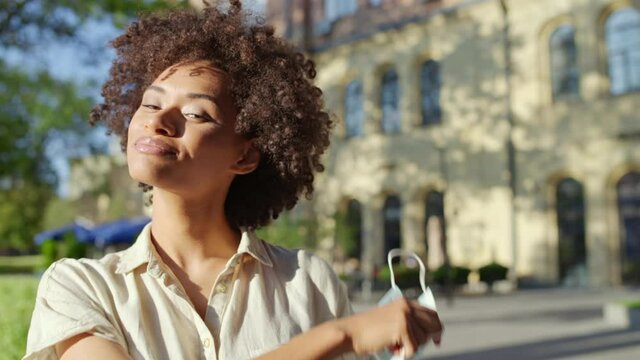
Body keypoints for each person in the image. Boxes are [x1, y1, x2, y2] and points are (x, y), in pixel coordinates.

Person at [24, 1, 442, 359]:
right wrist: (339, 335)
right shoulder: (79, 287)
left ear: (244, 155)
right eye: (150, 102)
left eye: (196, 113)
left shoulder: (309, 281)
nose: (159, 120)